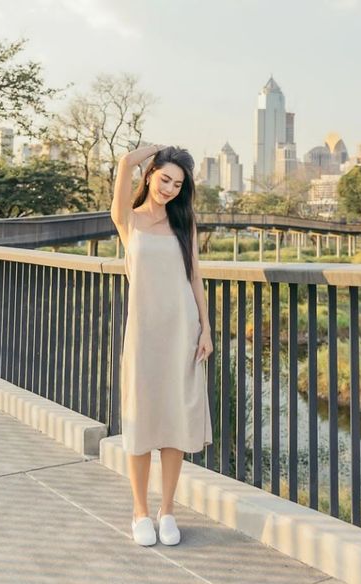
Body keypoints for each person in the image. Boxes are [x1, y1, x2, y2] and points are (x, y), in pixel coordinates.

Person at [111, 144, 213, 547]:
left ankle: (166, 510)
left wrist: (206, 329)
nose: (170, 188)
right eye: (165, 178)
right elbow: (123, 165)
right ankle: (139, 511)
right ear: (150, 175)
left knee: (175, 421)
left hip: (182, 331)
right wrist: (152, 151)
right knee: (140, 421)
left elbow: (195, 278)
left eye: (178, 183)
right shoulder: (129, 221)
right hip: (143, 334)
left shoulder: (182, 222)